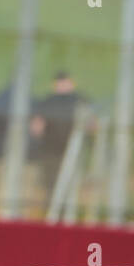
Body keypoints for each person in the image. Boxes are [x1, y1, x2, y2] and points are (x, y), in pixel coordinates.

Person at [34, 71, 89, 209]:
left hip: (72, 151)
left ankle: (65, 210)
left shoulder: (81, 101)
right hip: (51, 151)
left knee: (69, 183)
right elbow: (37, 126)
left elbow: (92, 124)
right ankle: (52, 209)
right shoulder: (48, 101)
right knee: (51, 183)